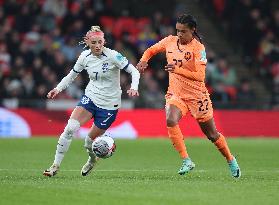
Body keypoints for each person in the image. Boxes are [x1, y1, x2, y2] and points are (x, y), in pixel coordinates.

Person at [136, 14, 241, 178]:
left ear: (193, 30)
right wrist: (144, 60)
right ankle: (186, 160)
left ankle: (230, 159)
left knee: (212, 135)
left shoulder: (198, 48)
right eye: (177, 30)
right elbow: (151, 50)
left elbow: (200, 76)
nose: (179, 34)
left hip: (197, 96)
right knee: (170, 119)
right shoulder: (169, 41)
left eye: (183, 31)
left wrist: (176, 69)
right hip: (176, 94)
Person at [43, 26, 140, 177]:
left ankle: (92, 160)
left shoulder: (114, 56)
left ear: (104, 42)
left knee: (89, 142)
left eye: (100, 42)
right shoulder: (84, 57)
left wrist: (134, 87)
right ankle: (55, 166)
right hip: (91, 98)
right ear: (87, 42)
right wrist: (58, 88)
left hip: (109, 106)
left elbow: (134, 71)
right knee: (70, 128)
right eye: (93, 42)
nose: (97, 45)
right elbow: (72, 75)